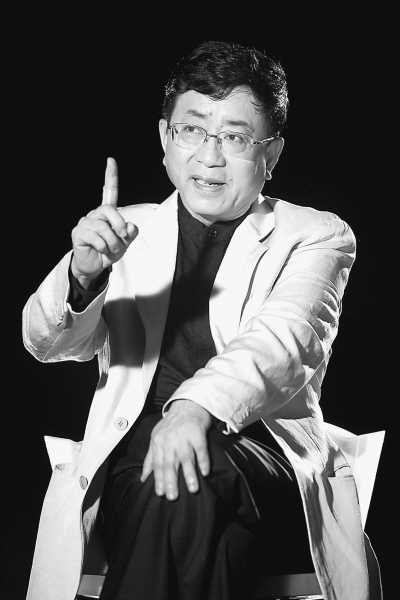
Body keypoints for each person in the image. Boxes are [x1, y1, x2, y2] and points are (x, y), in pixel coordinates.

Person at [23, 41, 381, 600]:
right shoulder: (122, 231)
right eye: (191, 130)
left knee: (184, 481)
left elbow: (285, 342)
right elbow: (46, 343)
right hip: (132, 463)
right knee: (189, 503)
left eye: (234, 137)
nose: (209, 156)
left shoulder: (315, 235)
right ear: (165, 139)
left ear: (272, 153)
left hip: (264, 456)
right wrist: (82, 274)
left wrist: (194, 410)